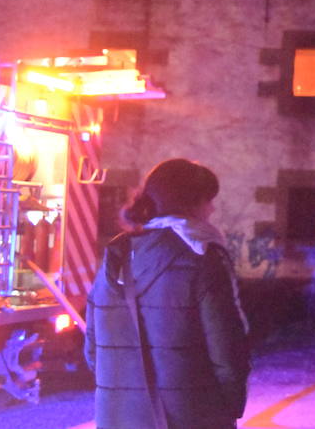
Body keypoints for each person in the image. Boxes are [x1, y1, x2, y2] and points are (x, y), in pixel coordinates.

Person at [84, 158, 250, 429]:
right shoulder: (203, 258)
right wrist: (228, 410)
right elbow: (228, 350)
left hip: (119, 418)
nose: (212, 208)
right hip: (192, 417)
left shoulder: (115, 257)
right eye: (208, 200)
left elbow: (94, 350)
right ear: (191, 203)